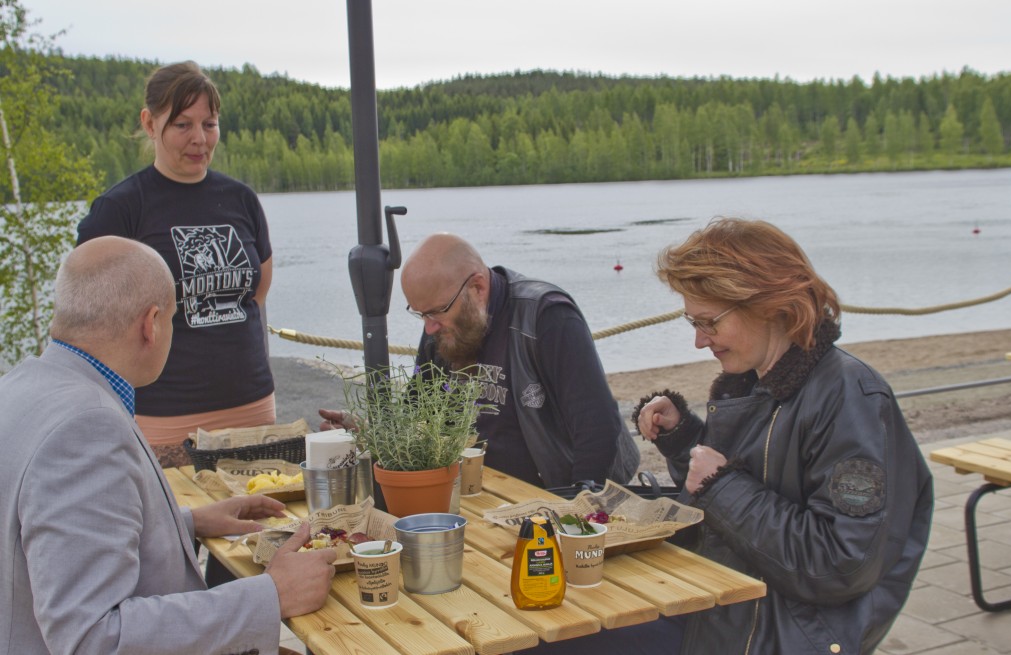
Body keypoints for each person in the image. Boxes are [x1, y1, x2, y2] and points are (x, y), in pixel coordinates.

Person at [0, 236, 335, 654]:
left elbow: (52, 535)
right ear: (151, 323)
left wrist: (184, 522)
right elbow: (93, 638)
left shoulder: (21, 386)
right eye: (174, 319)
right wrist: (272, 594)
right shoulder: (86, 427)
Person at [633, 218, 933, 654]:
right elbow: (753, 493)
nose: (700, 341)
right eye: (691, 322)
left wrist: (721, 485)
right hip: (730, 606)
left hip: (784, 634)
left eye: (709, 322)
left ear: (771, 305)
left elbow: (841, 564)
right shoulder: (756, 381)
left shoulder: (852, 397)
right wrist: (684, 440)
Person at [322, 232, 639, 488]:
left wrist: (576, 510)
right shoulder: (442, 326)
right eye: (421, 314)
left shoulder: (547, 317)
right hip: (479, 495)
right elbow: (415, 413)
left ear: (477, 288)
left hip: (556, 495)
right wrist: (367, 431)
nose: (428, 326)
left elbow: (597, 425)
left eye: (435, 312)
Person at [77, 61, 274, 468]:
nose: (199, 139)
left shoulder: (241, 200)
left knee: (263, 527)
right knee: (174, 529)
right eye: (182, 124)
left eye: (210, 123)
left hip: (253, 406)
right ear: (150, 123)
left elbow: (257, 293)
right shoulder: (121, 209)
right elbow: (90, 319)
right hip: (163, 415)